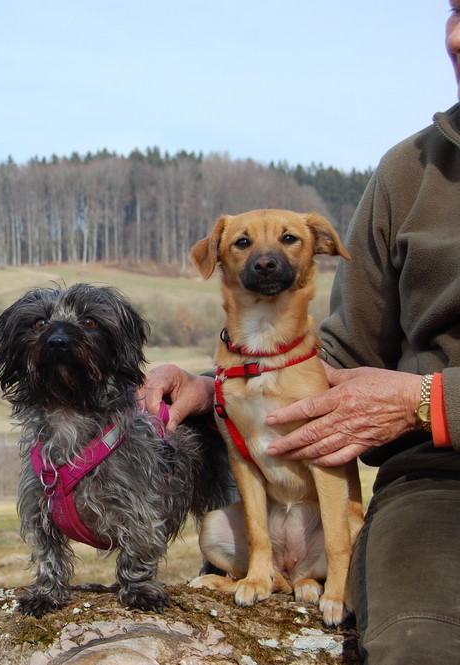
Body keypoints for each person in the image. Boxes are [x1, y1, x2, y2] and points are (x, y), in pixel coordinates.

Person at [141, 5, 460, 662]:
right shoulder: (407, 173)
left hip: (432, 424)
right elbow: (339, 360)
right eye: (454, 9)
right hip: (438, 481)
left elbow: (395, 393)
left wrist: (426, 399)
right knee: (417, 645)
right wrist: (216, 388)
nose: (455, 34)